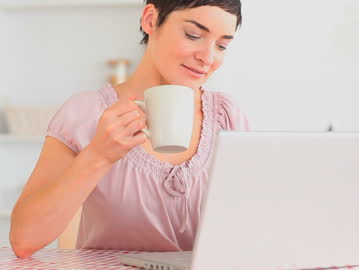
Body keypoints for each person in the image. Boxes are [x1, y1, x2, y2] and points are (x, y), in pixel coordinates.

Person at [9, 0, 248, 258]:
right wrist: (98, 156)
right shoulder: (86, 113)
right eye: (193, 35)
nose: (208, 57)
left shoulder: (227, 116)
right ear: (150, 20)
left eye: (222, 45)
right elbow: (24, 240)